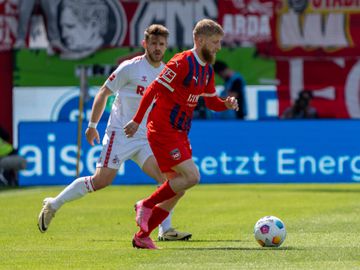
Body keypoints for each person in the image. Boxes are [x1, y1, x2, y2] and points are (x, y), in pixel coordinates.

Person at [37, 24, 192, 242]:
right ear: (144, 44)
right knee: (101, 181)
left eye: (162, 44)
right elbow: (103, 92)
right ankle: (54, 204)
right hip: (120, 135)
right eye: (154, 43)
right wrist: (92, 125)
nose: (158, 48)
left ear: (166, 46)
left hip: (145, 138)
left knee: (169, 179)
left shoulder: (165, 72)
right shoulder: (130, 68)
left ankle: (165, 230)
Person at [124, 19, 239, 249]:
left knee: (178, 189)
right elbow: (153, 89)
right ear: (200, 40)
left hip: (180, 132)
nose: (218, 47)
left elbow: (210, 102)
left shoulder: (206, 69)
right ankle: (145, 205)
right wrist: (137, 121)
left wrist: (225, 104)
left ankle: (142, 236)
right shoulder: (181, 62)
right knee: (192, 177)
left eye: (219, 43)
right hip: (163, 129)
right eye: (215, 42)